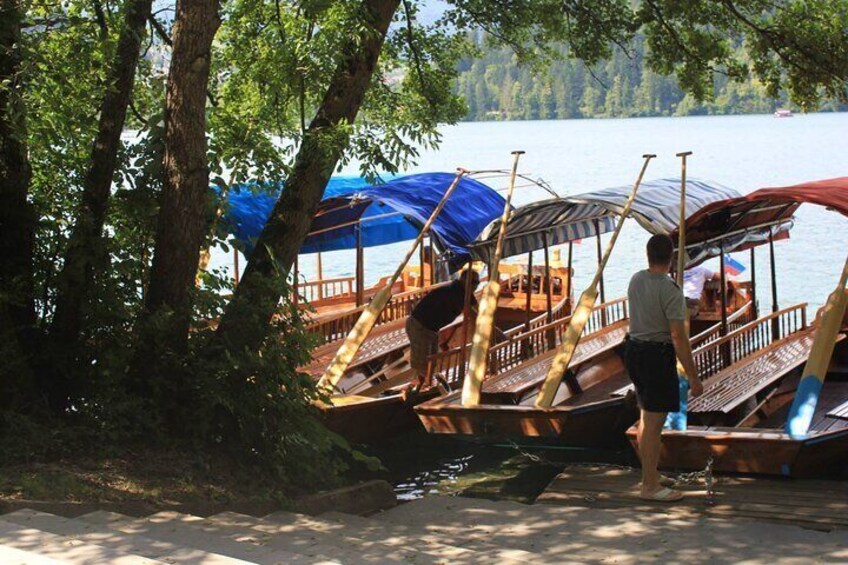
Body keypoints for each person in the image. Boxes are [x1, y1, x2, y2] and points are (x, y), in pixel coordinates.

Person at [625, 234, 704, 501]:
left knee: (647, 416)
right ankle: (649, 486)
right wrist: (693, 378)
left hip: (634, 350)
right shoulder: (670, 290)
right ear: (671, 259)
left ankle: (651, 473)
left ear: (648, 255)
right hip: (655, 355)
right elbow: (678, 337)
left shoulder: (637, 279)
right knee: (654, 421)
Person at [405, 269, 480, 394]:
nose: (475, 286)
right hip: (420, 326)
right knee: (422, 364)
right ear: (463, 280)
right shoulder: (456, 291)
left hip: (432, 328)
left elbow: (477, 314)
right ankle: (417, 391)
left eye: (477, 283)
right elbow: (474, 314)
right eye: (473, 282)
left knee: (431, 362)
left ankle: (425, 386)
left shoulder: (466, 293)